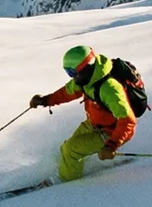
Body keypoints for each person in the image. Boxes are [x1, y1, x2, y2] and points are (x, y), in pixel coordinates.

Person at [29, 45, 136, 181]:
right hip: (94, 124)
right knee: (66, 147)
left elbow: (128, 121)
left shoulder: (110, 88)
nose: (72, 77)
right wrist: (45, 100)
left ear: (85, 68)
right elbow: (67, 92)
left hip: (111, 131)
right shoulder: (86, 79)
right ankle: (69, 169)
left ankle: (66, 182)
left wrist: (112, 145)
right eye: (68, 72)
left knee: (71, 150)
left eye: (72, 72)